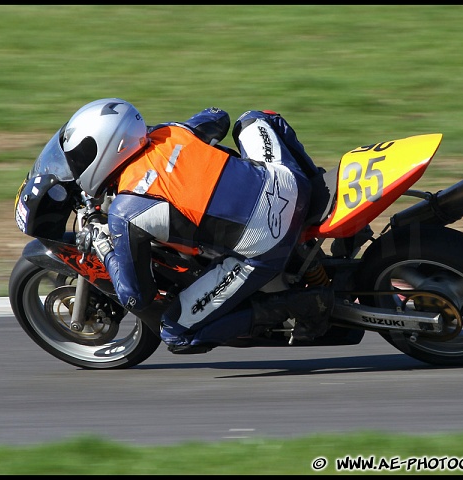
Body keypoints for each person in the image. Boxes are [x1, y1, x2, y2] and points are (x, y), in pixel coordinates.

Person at [67, 98, 333, 354]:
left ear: (110, 148)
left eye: (80, 155)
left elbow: (136, 297)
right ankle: (321, 189)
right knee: (255, 118)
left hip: (268, 240)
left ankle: (300, 305)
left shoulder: (125, 212)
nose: (77, 164)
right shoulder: (170, 132)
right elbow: (218, 116)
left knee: (176, 334)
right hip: (290, 183)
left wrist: (102, 246)